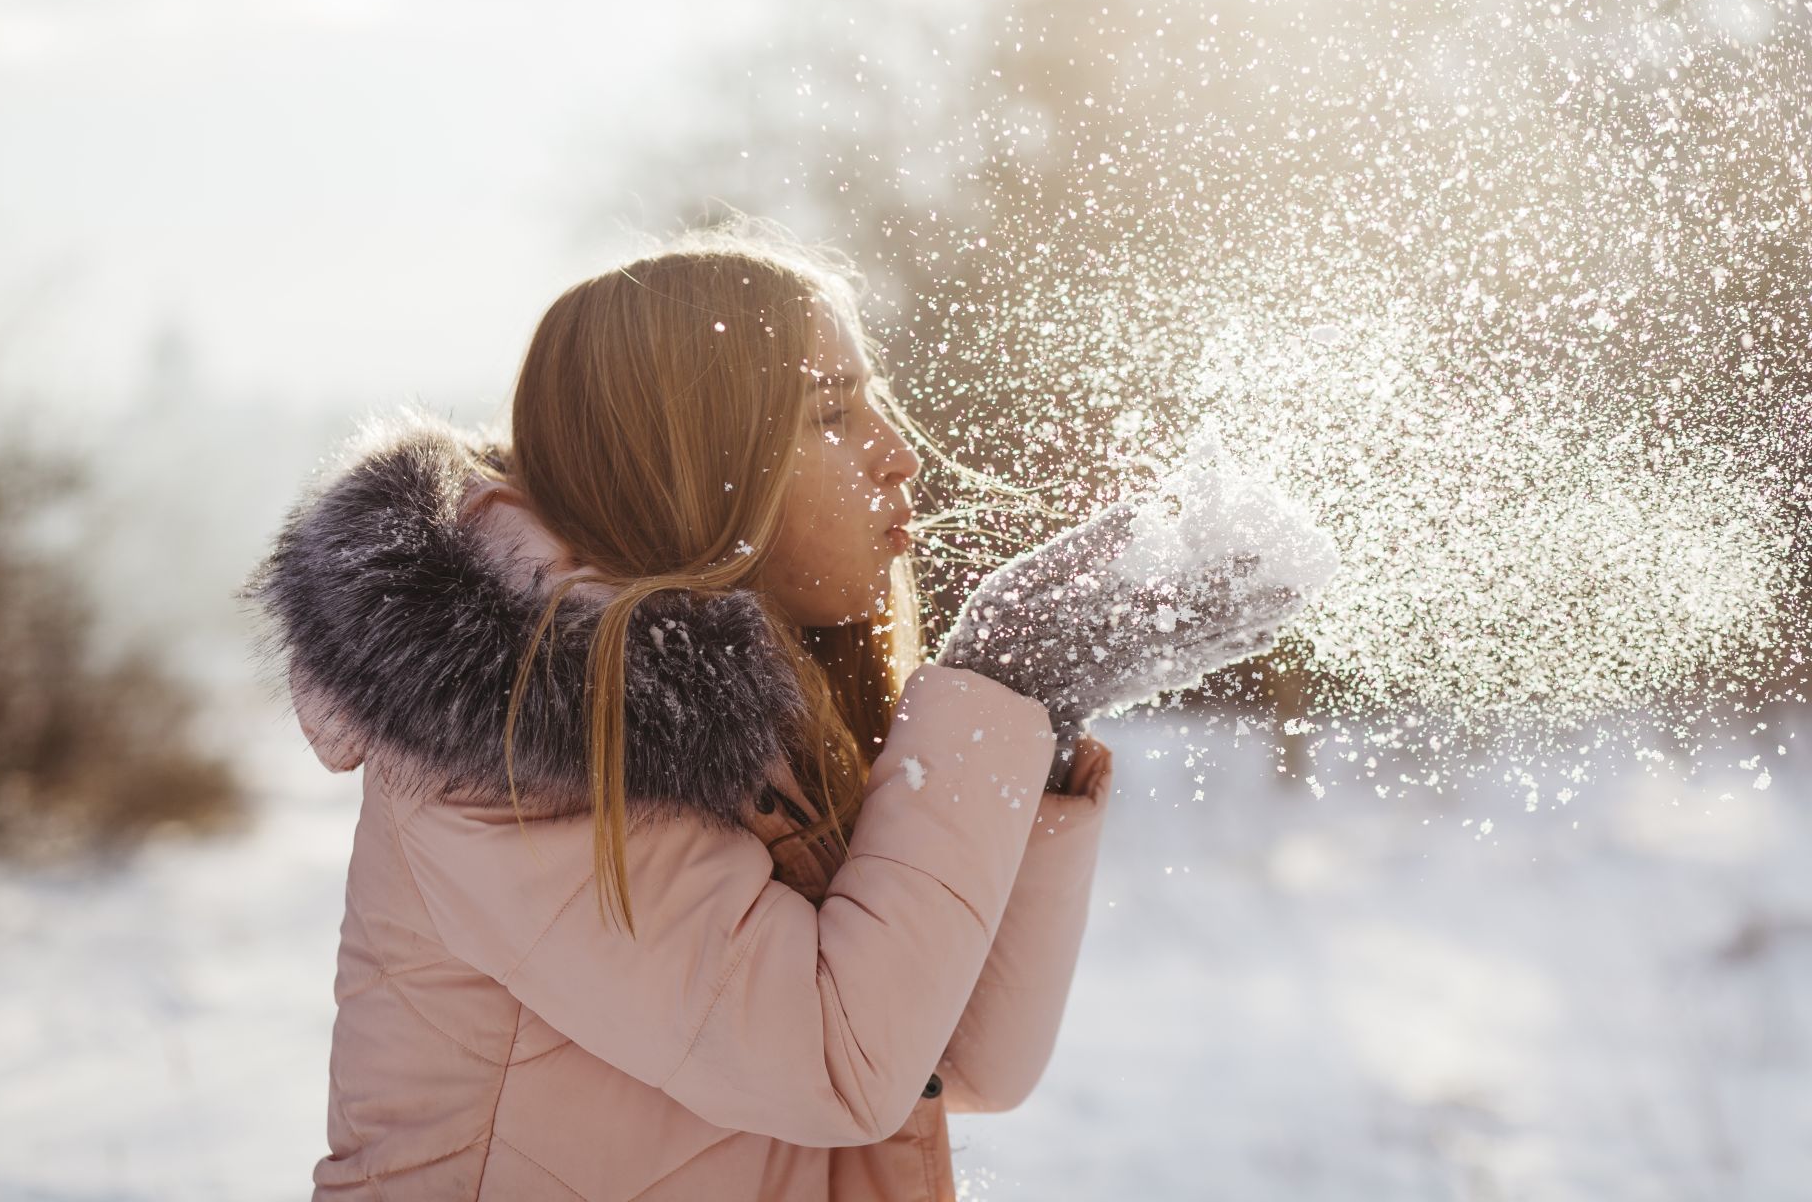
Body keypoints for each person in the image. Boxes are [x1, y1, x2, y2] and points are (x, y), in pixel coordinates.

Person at [237, 214, 1300, 1200]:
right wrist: (1000, 684)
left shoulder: (765, 698)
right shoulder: (519, 743)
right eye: (830, 411)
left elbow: (961, 1056)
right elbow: (842, 1065)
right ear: (687, 464)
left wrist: (1038, 713)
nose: (900, 452)